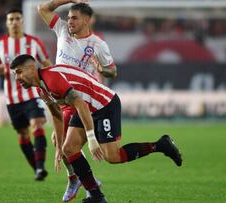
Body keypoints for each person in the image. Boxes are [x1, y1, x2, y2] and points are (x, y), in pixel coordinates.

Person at [10, 54, 182, 203]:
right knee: (69, 148)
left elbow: (80, 104)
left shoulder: (52, 78)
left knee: (112, 157)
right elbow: (57, 115)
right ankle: (96, 196)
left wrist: (92, 139)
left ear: (32, 68)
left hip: (104, 105)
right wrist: (59, 147)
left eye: (19, 71)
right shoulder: (42, 90)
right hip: (86, 108)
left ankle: (160, 145)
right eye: (14, 74)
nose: (16, 77)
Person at [38, 1, 116, 201]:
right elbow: (42, 8)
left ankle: (80, 181)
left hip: (79, 96)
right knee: (59, 141)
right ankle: (80, 180)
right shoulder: (62, 29)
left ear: (87, 20)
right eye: (69, 17)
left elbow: (113, 71)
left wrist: (101, 69)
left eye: (74, 18)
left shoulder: (98, 44)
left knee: (66, 144)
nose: (69, 21)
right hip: (60, 94)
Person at [0, 9, 52, 181]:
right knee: (23, 134)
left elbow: (46, 63)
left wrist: (48, 79)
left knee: (38, 125)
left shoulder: (34, 42)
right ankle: (37, 169)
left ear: (22, 21)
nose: (14, 22)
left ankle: (40, 167)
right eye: (11, 19)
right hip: (12, 99)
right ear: (7, 23)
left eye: (17, 19)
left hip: (31, 94)